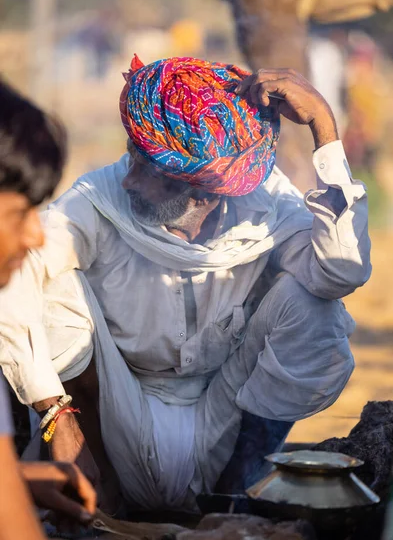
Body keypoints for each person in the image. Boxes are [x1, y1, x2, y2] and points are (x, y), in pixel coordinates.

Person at [0, 56, 371, 513]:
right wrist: (57, 416)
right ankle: (100, 500)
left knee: (312, 304)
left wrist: (324, 129)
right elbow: (9, 280)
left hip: (221, 417)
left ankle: (234, 500)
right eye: (135, 156)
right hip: (114, 424)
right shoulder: (99, 199)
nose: (129, 178)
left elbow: (340, 273)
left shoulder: (265, 204)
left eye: (149, 169)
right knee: (56, 288)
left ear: (205, 191)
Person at [0, 79, 210, 540]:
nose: (33, 234)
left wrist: (24, 481)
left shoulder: (264, 227)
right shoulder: (97, 205)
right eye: (16, 213)